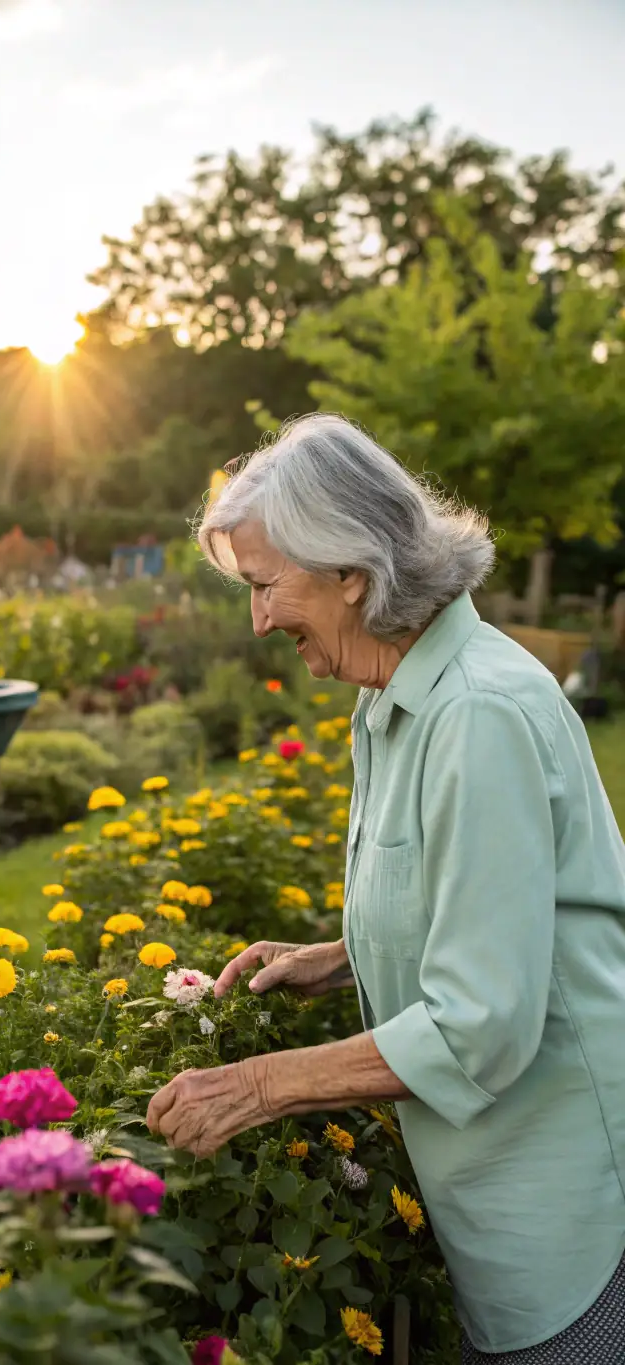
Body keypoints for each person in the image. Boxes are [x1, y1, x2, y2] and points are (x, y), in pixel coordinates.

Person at [146, 413, 625, 1363]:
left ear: (351, 572)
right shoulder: (393, 695)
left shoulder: (477, 714)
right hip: (486, 1178)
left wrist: (259, 1085)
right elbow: (469, 900)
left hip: (558, 1203)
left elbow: (480, 1022)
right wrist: (343, 955)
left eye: (264, 585)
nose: (257, 619)